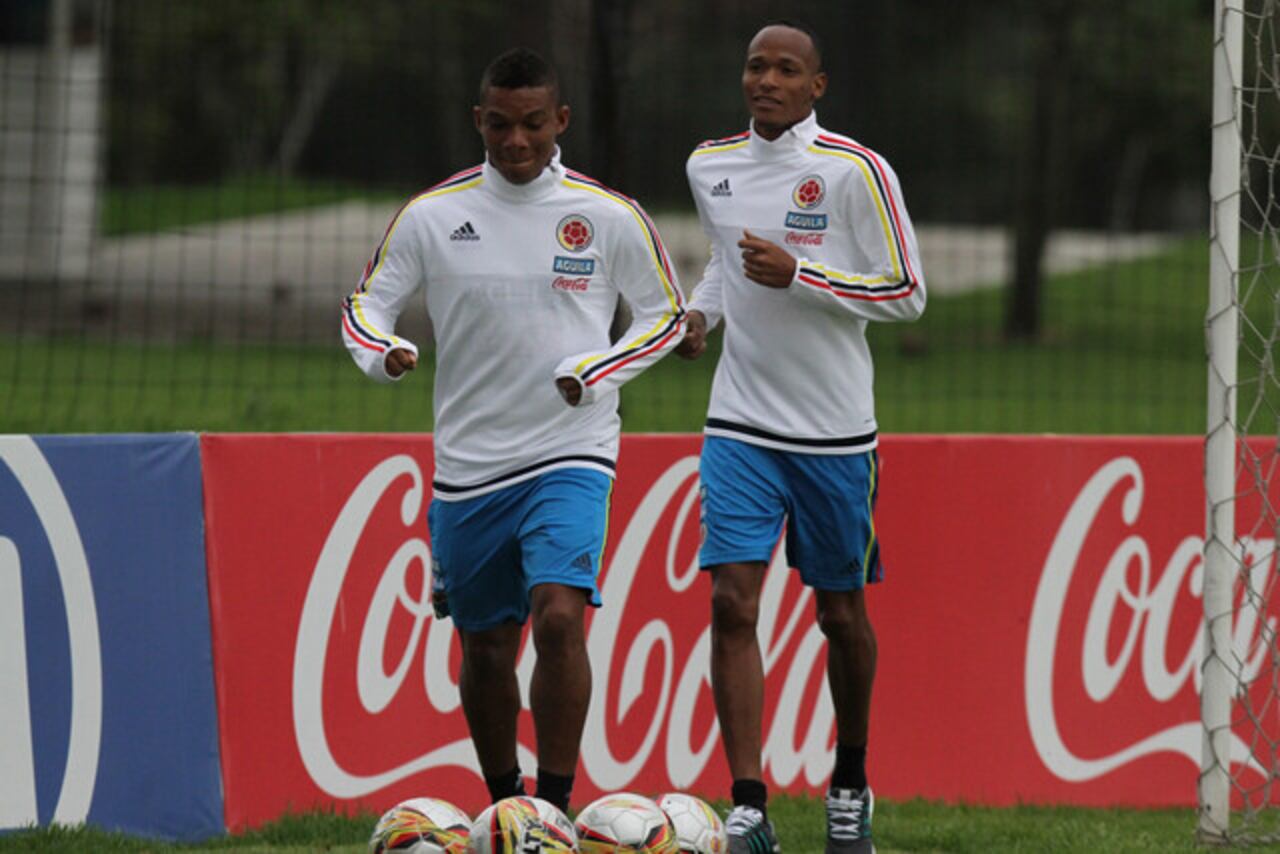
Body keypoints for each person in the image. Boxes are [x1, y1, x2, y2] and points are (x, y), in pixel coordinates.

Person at [341, 47, 686, 815]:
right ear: (479, 120)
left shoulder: (609, 216)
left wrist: (596, 372)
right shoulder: (433, 215)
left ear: (561, 119)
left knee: (560, 617)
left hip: (573, 450)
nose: (517, 140)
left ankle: (554, 811)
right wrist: (384, 352)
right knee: (488, 647)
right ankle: (507, 806)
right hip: (470, 467)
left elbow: (667, 315)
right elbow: (365, 306)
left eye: (533, 123)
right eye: (500, 124)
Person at [677, 20, 925, 854]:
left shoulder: (856, 171)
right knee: (730, 601)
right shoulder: (710, 165)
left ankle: (849, 783)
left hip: (833, 434)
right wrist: (700, 315)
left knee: (841, 615)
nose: (768, 80)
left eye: (787, 69)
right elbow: (724, 261)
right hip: (740, 422)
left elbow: (907, 292)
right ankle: (749, 806)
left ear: (817, 86)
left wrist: (802, 274)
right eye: (756, 66)